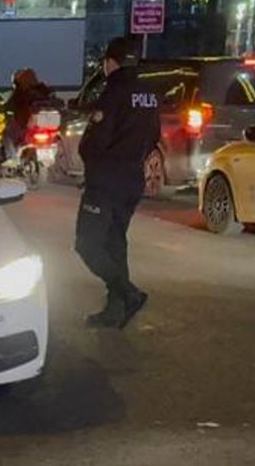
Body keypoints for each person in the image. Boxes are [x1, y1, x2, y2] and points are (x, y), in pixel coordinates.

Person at [76, 36, 163, 329]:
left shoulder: (114, 92)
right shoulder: (148, 93)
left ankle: (128, 292)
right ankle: (116, 309)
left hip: (105, 182)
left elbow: (94, 142)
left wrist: (92, 165)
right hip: (131, 180)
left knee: (87, 244)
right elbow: (154, 136)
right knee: (114, 242)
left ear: (110, 62)